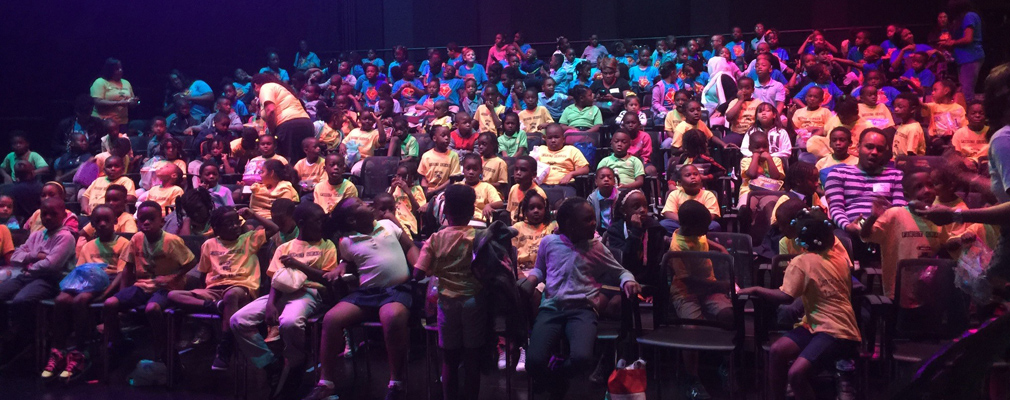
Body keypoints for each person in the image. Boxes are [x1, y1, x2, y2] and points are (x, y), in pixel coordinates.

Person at [738, 208, 861, 400]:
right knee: (778, 351)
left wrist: (754, 289)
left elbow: (785, 296)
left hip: (837, 330)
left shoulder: (801, 262)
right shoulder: (839, 256)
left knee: (796, 374)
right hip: (815, 325)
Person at [525, 197, 640, 399]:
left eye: (593, 219)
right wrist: (531, 280)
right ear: (569, 224)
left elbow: (621, 272)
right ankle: (555, 382)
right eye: (587, 220)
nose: (593, 223)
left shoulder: (596, 247)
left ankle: (557, 375)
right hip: (551, 308)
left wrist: (628, 281)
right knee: (533, 362)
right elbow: (540, 269)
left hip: (582, 310)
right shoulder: (549, 242)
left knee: (581, 358)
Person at [307, 197, 418, 400]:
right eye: (360, 204)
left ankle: (396, 382)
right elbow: (347, 261)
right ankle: (326, 382)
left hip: (396, 289)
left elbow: (410, 246)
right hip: (367, 293)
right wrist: (341, 266)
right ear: (351, 220)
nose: (367, 204)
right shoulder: (347, 242)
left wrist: (419, 265)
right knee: (331, 318)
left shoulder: (386, 225)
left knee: (391, 316)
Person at [229, 202, 336, 397]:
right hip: (279, 293)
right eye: (317, 221)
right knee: (238, 320)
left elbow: (326, 278)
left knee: (289, 322)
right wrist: (270, 304)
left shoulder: (327, 245)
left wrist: (298, 265)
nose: (322, 224)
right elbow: (276, 279)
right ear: (302, 223)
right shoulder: (285, 247)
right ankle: (270, 362)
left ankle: (296, 361)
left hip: (309, 292)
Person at [169, 207, 278, 371]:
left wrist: (253, 215)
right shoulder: (208, 244)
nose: (234, 226)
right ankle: (214, 306)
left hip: (240, 288)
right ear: (217, 229)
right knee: (173, 295)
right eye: (229, 224)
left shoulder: (248, 239)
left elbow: (274, 228)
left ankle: (224, 347)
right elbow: (203, 274)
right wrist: (201, 294)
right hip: (214, 289)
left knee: (231, 296)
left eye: (236, 223)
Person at [102, 201, 196, 366]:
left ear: (161, 221)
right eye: (142, 219)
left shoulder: (171, 240)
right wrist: (123, 293)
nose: (146, 222)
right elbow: (128, 267)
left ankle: (164, 349)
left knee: (152, 308)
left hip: (166, 287)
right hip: (142, 286)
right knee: (110, 303)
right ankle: (119, 343)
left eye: (151, 219)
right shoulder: (136, 238)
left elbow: (190, 262)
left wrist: (173, 277)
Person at [414, 185, 485, 400]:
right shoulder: (479, 237)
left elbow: (418, 273)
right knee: (472, 357)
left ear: (445, 212)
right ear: (472, 212)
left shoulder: (435, 239)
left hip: (446, 303)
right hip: (473, 301)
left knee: (449, 358)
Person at [42, 204, 128, 381]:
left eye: (107, 220)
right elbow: (79, 270)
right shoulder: (88, 246)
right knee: (61, 299)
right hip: (87, 280)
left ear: (115, 222)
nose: (102, 224)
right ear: (92, 224)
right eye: (98, 221)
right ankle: (59, 350)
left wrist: (105, 295)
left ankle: (81, 350)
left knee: (80, 301)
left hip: (108, 282)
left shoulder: (123, 243)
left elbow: (122, 274)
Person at [0, 198, 75, 354]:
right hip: (28, 275)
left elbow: (51, 265)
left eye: (53, 214)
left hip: (51, 280)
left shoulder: (65, 237)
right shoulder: (37, 235)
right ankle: (5, 333)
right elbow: (15, 258)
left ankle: (24, 337)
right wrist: (35, 256)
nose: (47, 217)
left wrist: (29, 263)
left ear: (63, 215)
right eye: (44, 214)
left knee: (22, 299)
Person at [825, 128, 906, 240]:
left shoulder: (896, 175)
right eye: (869, 147)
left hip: (886, 230)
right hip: (850, 231)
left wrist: (888, 212)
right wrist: (848, 226)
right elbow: (836, 208)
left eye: (880, 149)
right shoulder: (839, 174)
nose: (874, 152)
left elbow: (900, 209)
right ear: (858, 147)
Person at [253, 73, 314, 161]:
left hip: (290, 127)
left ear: (255, 86)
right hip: (306, 124)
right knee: (303, 162)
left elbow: (270, 110)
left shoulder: (265, 87)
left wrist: (272, 131)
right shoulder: (280, 88)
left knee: (288, 162)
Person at [942, 0, 985, 102]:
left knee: (967, 91)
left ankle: (970, 115)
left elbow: (968, 38)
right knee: (963, 89)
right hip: (964, 58)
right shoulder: (963, 18)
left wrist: (952, 42)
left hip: (971, 56)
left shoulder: (969, 16)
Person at [661, 164, 721, 233]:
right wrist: (686, 222)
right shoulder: (674, 194)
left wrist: (695, 223)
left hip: (701, 225)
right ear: (680, 182)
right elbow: (668, 213)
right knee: (664, 224)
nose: (693, 177)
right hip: (681, 224)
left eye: (695, 174)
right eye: (688, 175)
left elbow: (712, 214)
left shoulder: (708, 195)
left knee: (714, 226)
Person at [457, 153, 504, 226]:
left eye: (475, 169)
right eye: (468, 168)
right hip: (460, 223)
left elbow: (500, 203)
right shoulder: (457, 186)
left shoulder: (487, 187)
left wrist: (489, 205)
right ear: (463, 169)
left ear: (481, 171)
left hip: (479, 222)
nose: (471, 172)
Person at [739, 131, 785, 206]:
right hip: (750, 191)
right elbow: (752, 174)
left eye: (765, 147)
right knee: (746, 206)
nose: (761, 150)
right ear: (750, 148)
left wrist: (769, 159)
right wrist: (755, 158)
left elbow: (775, 177)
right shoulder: (746, 161)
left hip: (771, 192)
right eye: (757, 147)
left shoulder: (776, 160)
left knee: (769, 205)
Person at [90, 58, 137, 126]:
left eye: (121, 68)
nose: (120, 70)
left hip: (122, 122)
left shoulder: (126, 83)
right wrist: (119, 103)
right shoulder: (100, 82)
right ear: (110, 70)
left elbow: (130, 102)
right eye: (117, 69)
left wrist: (133, 102)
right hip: (103, 122)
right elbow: (97, 102)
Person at [419, 126, 461, 198]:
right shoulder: (426, 156)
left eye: (448, 136)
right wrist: (426, 191)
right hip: (428, 191)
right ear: (434, 138)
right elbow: (423, 177)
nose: (447, 138)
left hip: (445, 191)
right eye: (443, 135)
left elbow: (452, 179)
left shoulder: (453, 155)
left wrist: (435, 191)